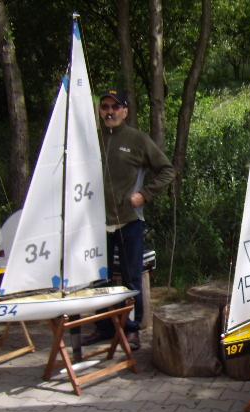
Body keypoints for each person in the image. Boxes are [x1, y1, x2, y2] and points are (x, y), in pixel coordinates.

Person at [82, 88, 175, 351]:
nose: (109, 112)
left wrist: (144, 194)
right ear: (100, 111)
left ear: (125, 111)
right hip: (97, 224)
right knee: (99, 279)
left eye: (115, 107)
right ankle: (103, 328)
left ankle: (132, 330)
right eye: (105, 107)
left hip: (129, 221)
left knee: (131, 279)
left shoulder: (137, 139)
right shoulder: (93, 140)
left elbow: (167, 170)